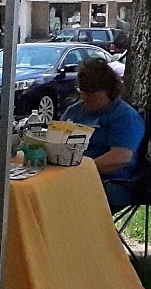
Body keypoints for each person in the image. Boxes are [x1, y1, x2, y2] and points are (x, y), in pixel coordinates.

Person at [61, 57, 145, 209]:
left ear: (109, 91)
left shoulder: (124, 116)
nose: (85, 97)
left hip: (110, 183)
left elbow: (121, 158)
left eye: (91, 93)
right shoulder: (74, 111)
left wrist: (82, 169)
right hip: (69, 175)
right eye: (82, 91)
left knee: (58, 199)